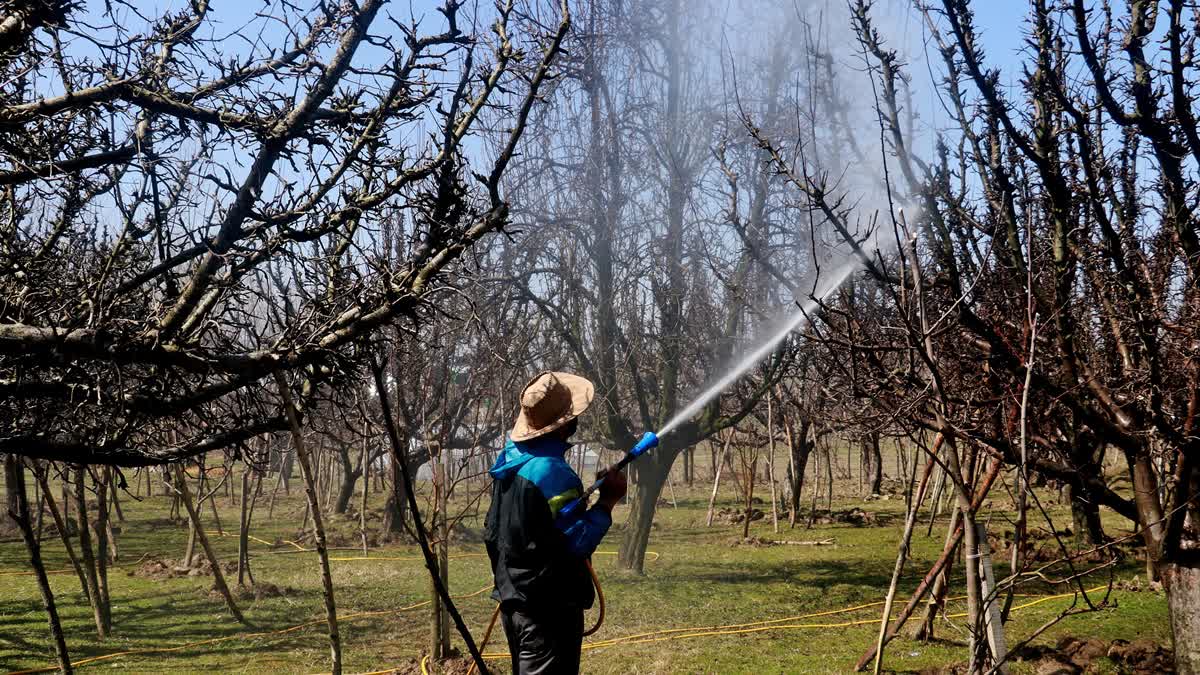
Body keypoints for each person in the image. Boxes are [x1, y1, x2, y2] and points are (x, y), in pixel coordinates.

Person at [484, 371, 628, 675]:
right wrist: (607, 501)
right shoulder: (553, 472)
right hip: (547, 612)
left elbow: (536, 527)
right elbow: (578, 542)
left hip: (517, 605)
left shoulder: (511, 463)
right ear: (565, 424)